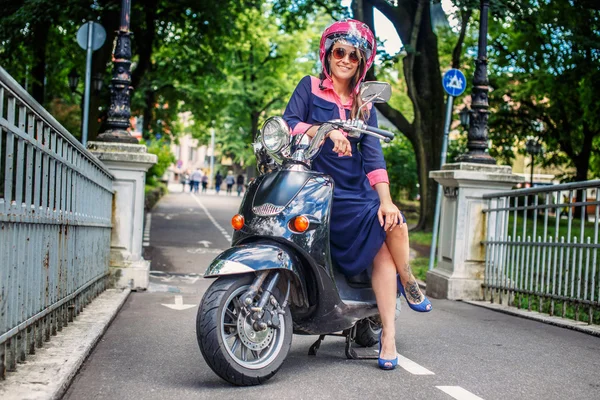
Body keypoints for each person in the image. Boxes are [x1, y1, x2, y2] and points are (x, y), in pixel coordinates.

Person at [283, 19, 431, 371]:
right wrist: (325, 129)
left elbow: (374, 156)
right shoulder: (309, 87)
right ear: (328, 54)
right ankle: (403, 280)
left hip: (356, 191)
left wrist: (386, 198)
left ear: (362, 61)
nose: (346, 59)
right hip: (315, 187)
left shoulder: (365, 104)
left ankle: (396, 314)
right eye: (340, 51)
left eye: (354, 55)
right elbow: (289, 124)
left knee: (389, 222)